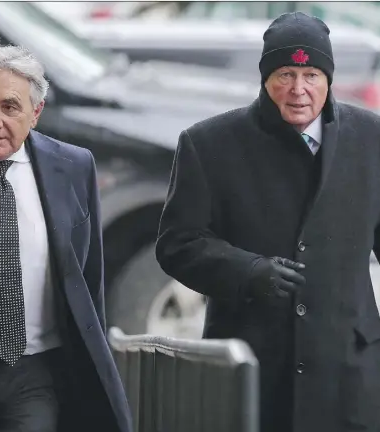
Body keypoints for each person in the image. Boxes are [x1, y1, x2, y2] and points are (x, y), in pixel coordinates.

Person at [156, 12, 380, 432]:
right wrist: (247, 271)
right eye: (284, 74)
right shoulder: (207, 144)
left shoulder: (371, 138)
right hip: (252, 364)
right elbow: (177, 244)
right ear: (264, 78)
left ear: (328, 78)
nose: (298, 90)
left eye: (311, 74)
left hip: (347, 372)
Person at [0, 43, 132, 432]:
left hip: (36, 374)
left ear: (36, 113)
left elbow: (87, 279)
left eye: (9, 107)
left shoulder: (74, 167)